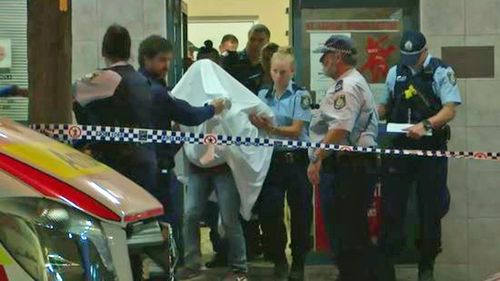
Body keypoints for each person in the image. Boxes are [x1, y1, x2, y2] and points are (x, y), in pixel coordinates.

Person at [377, 31, 461, 281]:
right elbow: (385, 105)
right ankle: (388, 262)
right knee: (392, 207)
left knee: (430, 208)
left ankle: (426, 266)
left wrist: (426, 125)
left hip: (430, 149)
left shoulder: (440, 71)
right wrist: (372, 112)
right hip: (400, 148)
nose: (410, 60)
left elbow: (449, 110)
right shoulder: (396, 72)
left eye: (414, 56)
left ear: (425, 51)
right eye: (406, 56)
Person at [137, 34, 225, 265]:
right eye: (161, 60)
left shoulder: (137, 85)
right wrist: (212, 109)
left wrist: (175, 137)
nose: (166, 66)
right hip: (158, 169)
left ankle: (160, 264)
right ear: (146, 59)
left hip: (145, 163)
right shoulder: (155, 91)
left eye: (168, 60)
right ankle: (173, 265)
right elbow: (189, 114)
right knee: (171, 219)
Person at [307, 35, 379, 281]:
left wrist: (317, 157)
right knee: (349, 234)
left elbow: (340, 129)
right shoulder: (348, 82)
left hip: (350, 168)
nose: (321, 61)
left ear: (338, 56)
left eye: (325, 56)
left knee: (348, 236)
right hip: (346, 166)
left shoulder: (347, 86)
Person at [250, 46, 312, 281]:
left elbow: (296, 130)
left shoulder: (300, 96)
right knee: (270, 213)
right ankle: (278, 258)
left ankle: (299, 261)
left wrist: (270, 128)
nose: (279, 76)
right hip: (272, 161)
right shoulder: (263, 95)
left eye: (284, 72)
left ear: (293, 71)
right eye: (275, 71)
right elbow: (252, 125)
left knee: (300, 213)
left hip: (296, 160)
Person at [73, 24, 157, 194]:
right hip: (146, 157)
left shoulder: (105, 78)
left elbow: (68, 93)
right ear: (129, 51)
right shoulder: (142, 80)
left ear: (104, 51)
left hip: (116, 162)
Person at [221, 24, 270, 94]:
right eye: (252, 39)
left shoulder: (270, 64)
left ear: (268, 42)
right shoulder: (231, 60)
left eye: (260, 40)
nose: (255, 44)